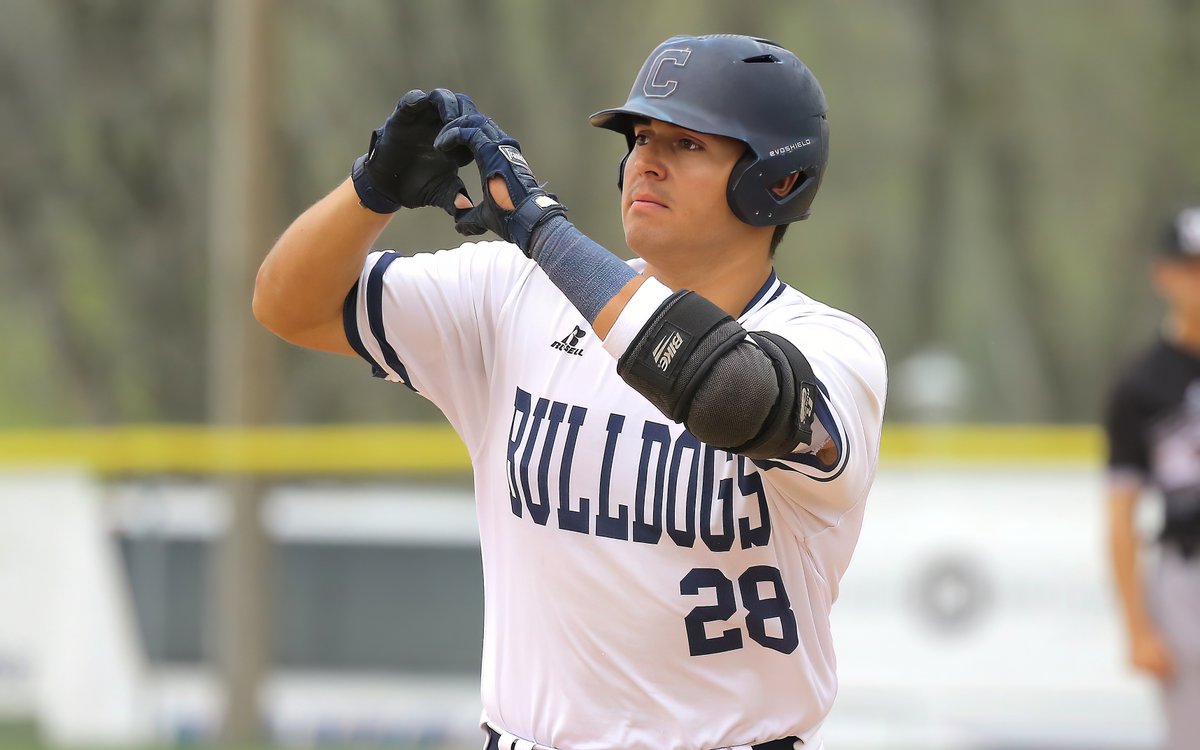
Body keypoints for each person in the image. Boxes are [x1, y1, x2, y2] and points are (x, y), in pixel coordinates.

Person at [254, 34, 886, 750]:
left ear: (779, 181)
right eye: (641, 136)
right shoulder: (514, 293)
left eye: (687, 145)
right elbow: (288, 305)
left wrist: (541, 231)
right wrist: (372, 187)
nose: (645, 159)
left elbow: (733, 395)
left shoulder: (832, 348)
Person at [1104, 206, 1200, 750]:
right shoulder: (1142, 384)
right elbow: (1121, 516)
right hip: (1186, 576)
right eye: (1192, 265)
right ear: (1164, 273)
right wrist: (1138, 627)